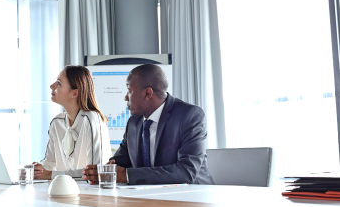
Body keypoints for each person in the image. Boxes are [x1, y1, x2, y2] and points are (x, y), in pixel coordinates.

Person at [82, 64, 214, 185]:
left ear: (147, 93)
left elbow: (186, 172)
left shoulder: (189, 115)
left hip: (194, 197)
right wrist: (102, 172)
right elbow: (121, 161)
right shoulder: (134, 122)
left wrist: (126, 175)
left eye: (129, 90)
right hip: (151, 197)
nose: (126, 97)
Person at [33, 66, 112, 179]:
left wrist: (51, 175)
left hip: (90, 193)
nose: (51, 86)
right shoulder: (57, 122)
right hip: (62, 191)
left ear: (75, 93)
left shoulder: (91, 119)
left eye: (59, 83)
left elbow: (94, 173)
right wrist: (37, 170)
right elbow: (49, 164)